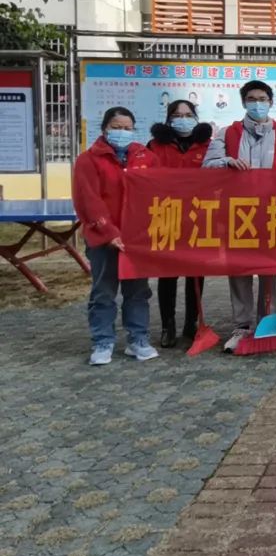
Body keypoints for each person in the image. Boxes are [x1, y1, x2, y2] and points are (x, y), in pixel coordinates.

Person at [203, 80, 276, 354]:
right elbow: (207, 166)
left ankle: (268, 324)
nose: (257, 103)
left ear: (271, 102)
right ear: (243, 102)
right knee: (239, 271)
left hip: (273, 214)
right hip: (238, 214)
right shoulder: (227, 134)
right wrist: (226, 162)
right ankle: (242, 326)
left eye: (262, 99)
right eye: (252, 99)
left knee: (270, 271)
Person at [73, 107, 160, 365]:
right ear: (104, 129)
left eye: (127, 128)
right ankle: (102, 342)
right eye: (116, 127)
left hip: (136, 239)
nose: (122, 132)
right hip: (103, 238)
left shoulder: (147, 157)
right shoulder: (88, 160)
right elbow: (88, 200)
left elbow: (157, 193)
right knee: (103, 291)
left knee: (138, 291)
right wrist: (109, 232)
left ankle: (138, 339)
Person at [147, 100, 213, 348]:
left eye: (187, 114)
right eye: (177, 115)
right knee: (168, 272)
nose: (182, 119)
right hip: (167, 214)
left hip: (199, 215)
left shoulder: (209, 145)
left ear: (195, 117)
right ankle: (168, 325)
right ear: (169, 118)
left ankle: (191, 323)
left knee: (196, 272)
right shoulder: (155, 146)